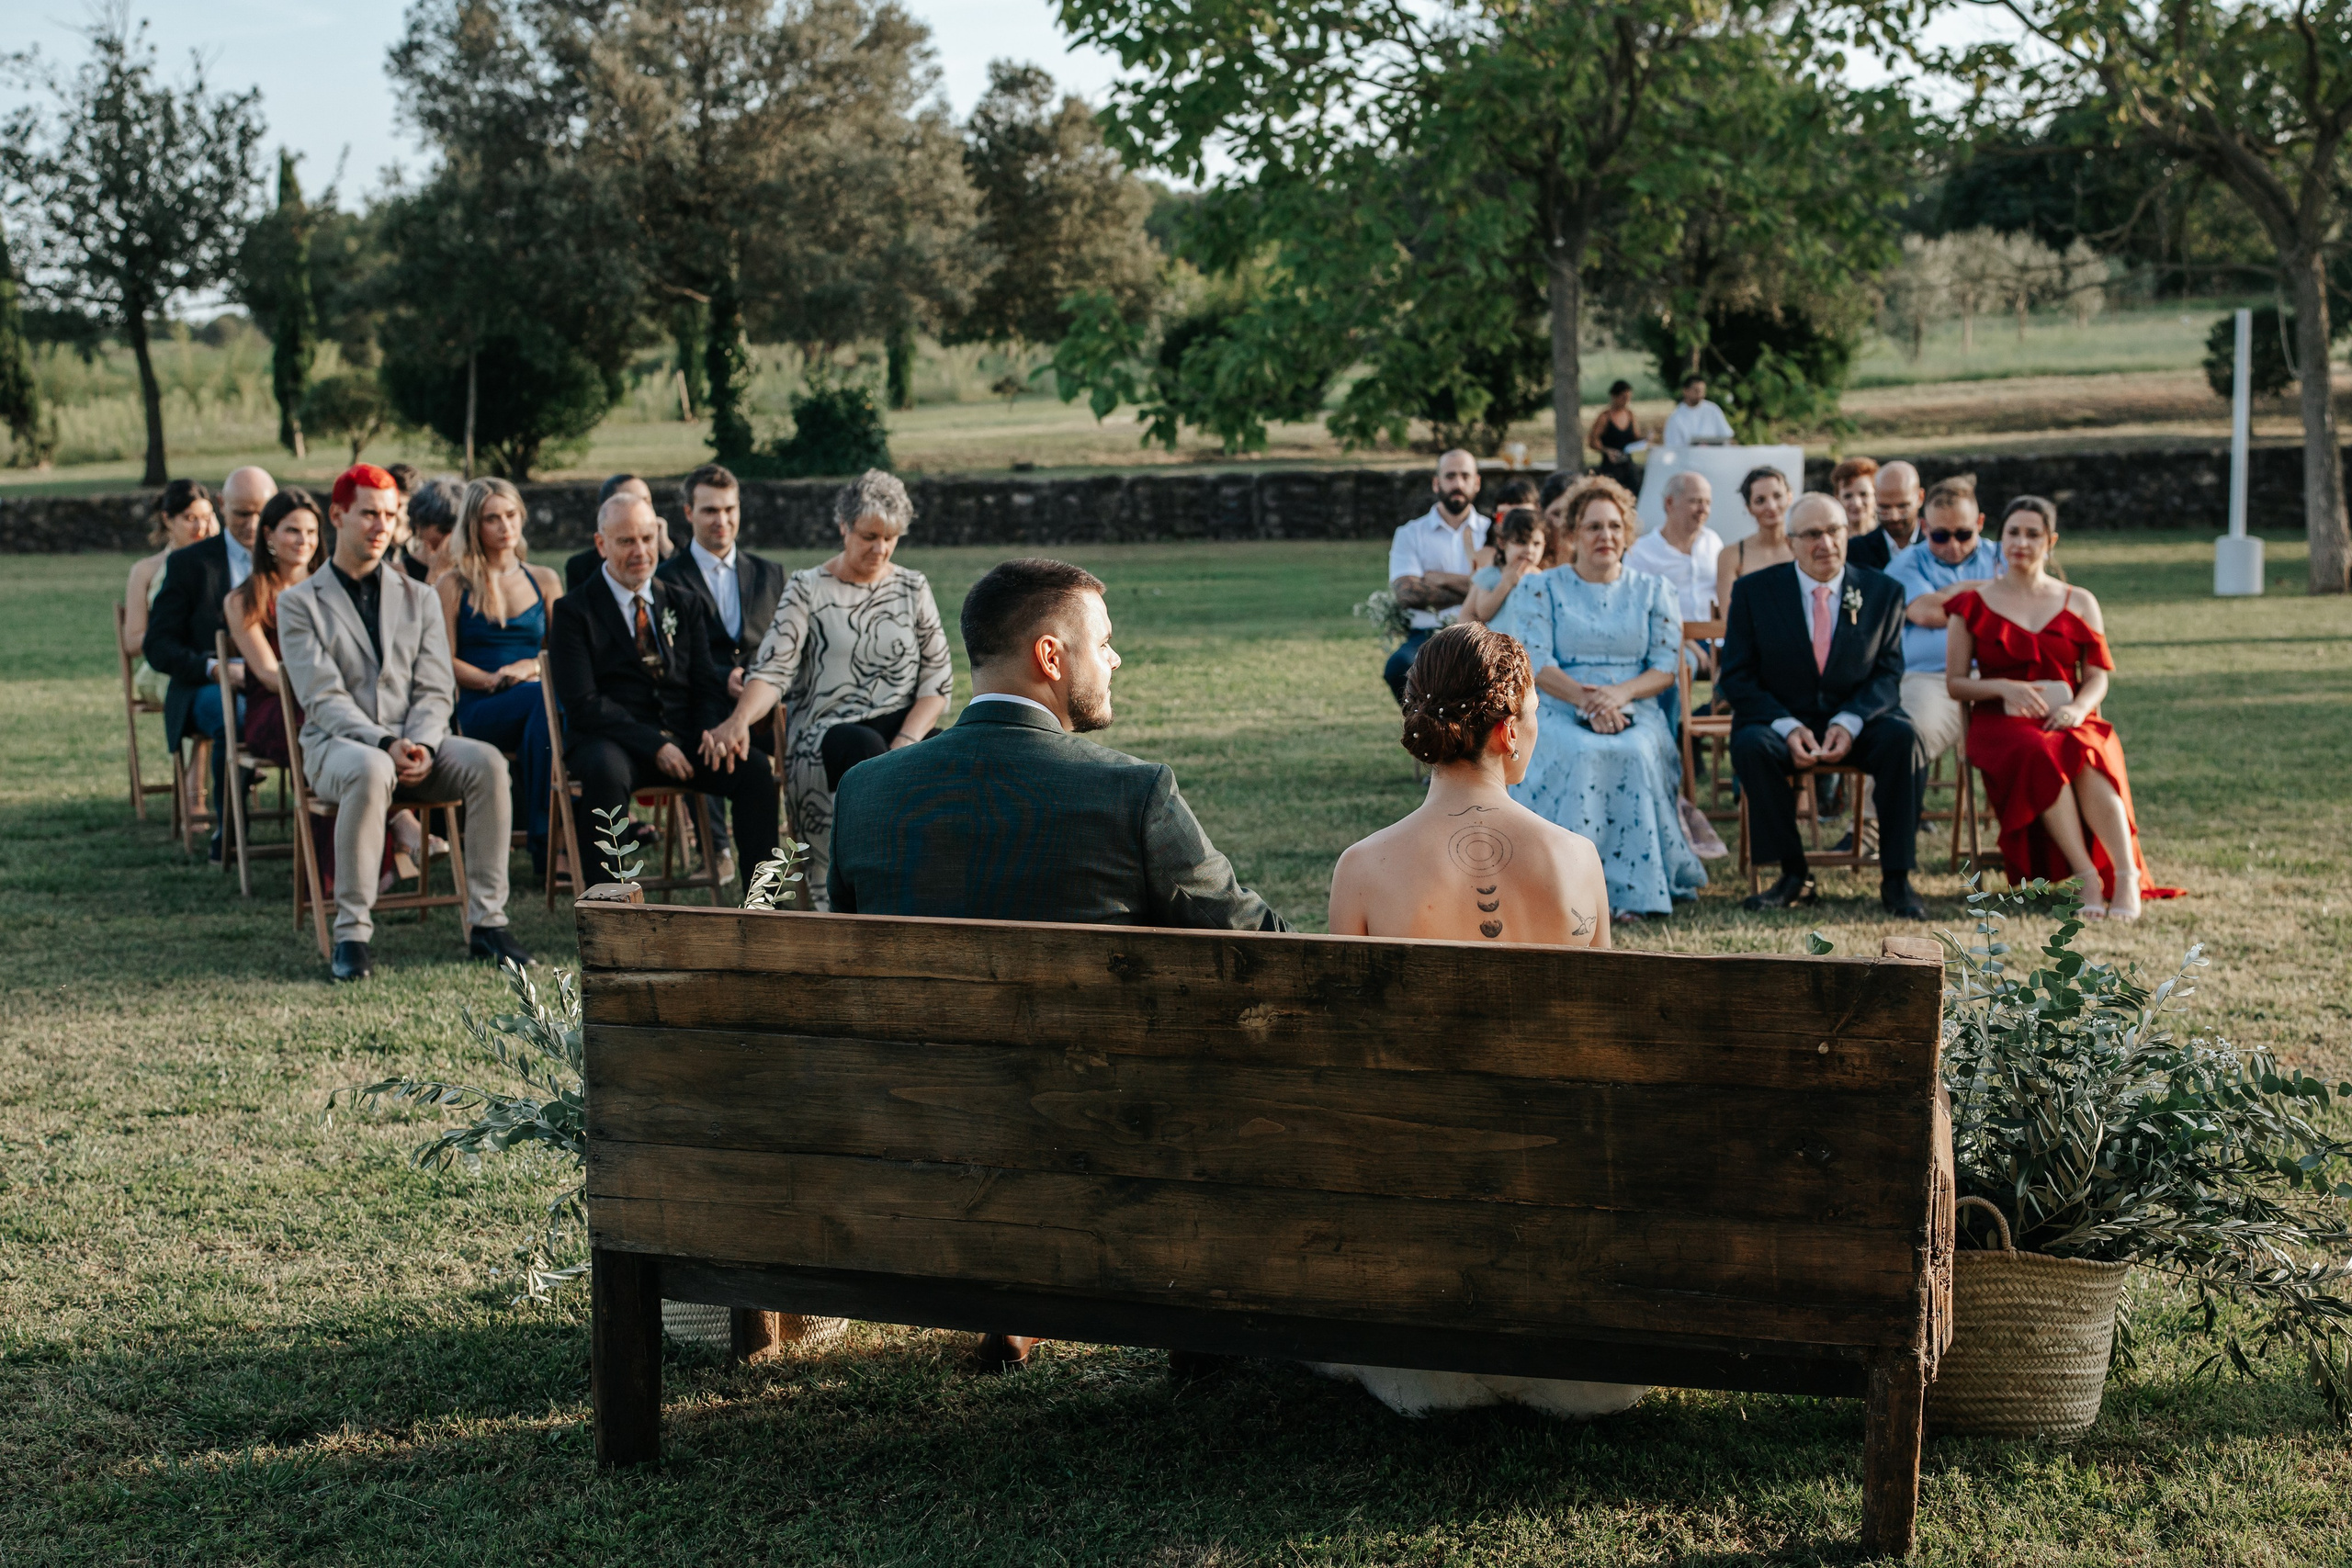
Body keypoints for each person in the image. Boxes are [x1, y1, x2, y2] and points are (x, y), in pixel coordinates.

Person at [829, 557, 1288, 1372]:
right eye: (1103, 643)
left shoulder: (868, 791)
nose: (1114, 660)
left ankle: (1011, 1295)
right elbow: (1261, 949)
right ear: (1051, 656)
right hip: (1102, 1142)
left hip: (912, 1136)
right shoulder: (1133, 794)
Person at [1318, 622, 1637, 1420]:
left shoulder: (1363, 868)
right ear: (1507, 729)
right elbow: (1605, 1057)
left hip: (1421, 1228)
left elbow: (1346, 1069)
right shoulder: (1578, 860)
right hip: (1554, 1221)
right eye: (1530, 714)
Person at [278, 464, 532, 981]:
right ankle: (351, 934)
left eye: (390, 515)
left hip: (418, 742)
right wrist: (386, 742)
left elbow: (436, 687)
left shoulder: (419, 596)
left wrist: (419, 742)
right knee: (371, 769)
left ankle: (488, 922)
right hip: (338, 747)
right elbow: (322, 698)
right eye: (369, 513)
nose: (381, 525)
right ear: (337, 515)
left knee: (485, 762)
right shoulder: (298, 602)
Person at [703, 469, 952, 904]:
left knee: (940, 746)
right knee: (862, 747)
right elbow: (772, 671)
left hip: (899, 726)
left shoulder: (913, 587)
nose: (881, 549)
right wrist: (741, 719)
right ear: (843, 527)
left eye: (890, 538)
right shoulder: (808, 588)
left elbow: (937, 682)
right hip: (828, 731)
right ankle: (868, 891)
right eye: (869, 536)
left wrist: (907, 739)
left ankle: (930, 889)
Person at [1944, 497, 2177, 919]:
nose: (2021, 542)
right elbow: (1955, 683)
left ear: (2050, 542)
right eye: (2013, 532)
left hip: (2068, 713)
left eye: (2033, 534)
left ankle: (2124, 876)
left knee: (2089, 751)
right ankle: (2088, 877)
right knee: (2040, 752)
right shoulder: (1972, 605)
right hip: (2003, 724)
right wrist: (2002, 688)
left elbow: (2097, 676)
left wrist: (2079, 708)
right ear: (2001, 538)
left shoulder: (2080, 600)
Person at [1491, 478, 1706, 919]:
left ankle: (1629, 890)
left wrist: (1618, 697)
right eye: (1592, 527)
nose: (1605, 536)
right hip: (1558, 700)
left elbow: (1665, 668)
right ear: (1571, 534)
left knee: (1633, 751)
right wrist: (1588, 702)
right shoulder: (1541, 588)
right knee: (1578, 749)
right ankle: (1561, 885)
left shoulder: (1654, 590)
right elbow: (1537, 661)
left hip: (1636, 704)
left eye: (1613, 526)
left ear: (1627, 533)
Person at [548, 491, 780, 886]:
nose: (640, 551)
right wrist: (655, 744)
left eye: (647, 538)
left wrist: (711, 730)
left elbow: (706, 683)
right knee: (605, 771)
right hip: (612, 740)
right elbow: (584, 704)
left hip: (685, 736)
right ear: (601, 544)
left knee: (754, 770)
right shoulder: (574, 611)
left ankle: (765, 901)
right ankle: (609, 906)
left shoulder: (683, 603)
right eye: (626, 541)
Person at [1719, 492, 1924, 918]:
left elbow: (1888, 676)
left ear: (1848, 534)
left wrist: (1850, 723)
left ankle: (1897, 879)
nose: (1825, 543)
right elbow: (1736, 676)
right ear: (1791, 542)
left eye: (1834, 531)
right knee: (1751, 746)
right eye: (1812, 534)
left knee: (1903, 739)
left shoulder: (1884, 592)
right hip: (1779, 718)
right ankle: (1794, 874)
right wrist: (1786, 726)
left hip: (1857, 717)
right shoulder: (1753, 592)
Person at [144, 466, 276, 862]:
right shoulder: (189, 563)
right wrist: (215, 668)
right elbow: (158, 645)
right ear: (222, 505)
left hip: (274, 681)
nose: (253, 524)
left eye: (262, 512)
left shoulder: (289, 555)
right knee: (232, 712)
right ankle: (230, 828)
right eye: (241, 514)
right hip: (205, 685)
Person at [437, 477, 564, 878]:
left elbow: (561, 654)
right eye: (492, 518)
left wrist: (528, 668)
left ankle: (542, 836)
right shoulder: (452, 583)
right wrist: (491, 680)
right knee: (548, 706)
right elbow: (441, 660)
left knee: (546, 706)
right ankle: (549, 841)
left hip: (534, 701)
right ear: (474, 526)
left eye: (511, 515)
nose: (505, 526)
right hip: (479, 707)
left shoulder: (543, 579)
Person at [226, 488, 348, 886]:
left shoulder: (336, 591)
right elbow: (265, 671)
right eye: (293, 531)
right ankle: (337, 873)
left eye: (312, 533)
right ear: (269, 536)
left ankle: (359, 861)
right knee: (322, 733)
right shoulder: (245, 598)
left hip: (331, 703)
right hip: (275, 709)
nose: (305, 541)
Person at [1885, 475, 2001, 801]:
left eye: (1964, 534)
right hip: (1931, 678)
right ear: (1923, 527)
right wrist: (1992, 593)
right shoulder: (1906, 562)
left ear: (1980, 523)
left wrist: (1948, 595)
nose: (1953, 545)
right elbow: (1925, 613)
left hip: (2003, 675)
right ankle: (1871, 830)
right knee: (1906, 735)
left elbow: (2028, 602)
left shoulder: (2003, 555)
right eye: (1940, 535)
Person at [656, 463, 786, 696]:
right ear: (689, 512)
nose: (722, 520)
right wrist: (722, 677)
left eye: (729, 509)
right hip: (699, 706)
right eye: (710, 511)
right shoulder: (664, 580)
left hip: (767, 708)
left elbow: (788, 647)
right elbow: (669, 656)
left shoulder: (770, 575)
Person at [1384, 448, 1488, 704]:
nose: (1458, 484)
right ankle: (1425, 731)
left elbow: (1502, 591)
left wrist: (1440, 578)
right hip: (1425, 635)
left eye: (1465, 476)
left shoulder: (1491, 533)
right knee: (1399, 666)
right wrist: (1476, 587)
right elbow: (1407, 593)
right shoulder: (1410, 534)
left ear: (1476, 483)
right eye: (1450, 476)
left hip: (1479, 632)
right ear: (1436, 483)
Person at [123, 479, 220, 706]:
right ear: (168, 519)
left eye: (206, 518)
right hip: (165, 667)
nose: (200, 528)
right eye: (190, 519)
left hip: (211, 660)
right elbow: (132, 642)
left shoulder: (219, 566)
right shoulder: (146, 570)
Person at [1624, 468, 1724, 625]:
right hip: (1667, 641)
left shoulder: (1713, 542)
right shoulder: (1640, 552)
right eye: (1696, 501)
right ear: (1669, 503)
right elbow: (1633, 607)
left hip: (1715, 640)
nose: (1703, 510)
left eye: (1708, 503)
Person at [1712, 464, 1795, 623]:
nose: (1771, 506)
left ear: (1789, 497)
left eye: (1777, 496)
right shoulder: (1731, 556)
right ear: (1749, 508)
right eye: (1760, 500)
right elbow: (1730, 616)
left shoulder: (1803, 547)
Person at [566, 474, 662, 591]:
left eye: (646, 501)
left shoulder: (671, 551)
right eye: (626, 541)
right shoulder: (582, 568)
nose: (640, 552)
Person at [1460, 506, 1544, 626]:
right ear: (1502, 543)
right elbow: (1482, 613)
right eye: (1521, 542)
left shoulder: (1541, 578)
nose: (1530, 550)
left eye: (1536, 544)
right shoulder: (1491, 575)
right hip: (1498, 643)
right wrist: (1505, 584)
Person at [1832, 457, 1894, 570]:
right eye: (1848, 496)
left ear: (1877, 495)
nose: (1857, 503)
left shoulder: (1890, 538)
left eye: (1863, 494)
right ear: (1837, 499)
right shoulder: (1831, 543)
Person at [1587, 378, 1646, 489]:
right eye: (1623, 398)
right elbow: (1593, 441)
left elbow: (1635, 437)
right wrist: (1606, 451)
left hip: (1628, 466)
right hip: (1610, 467)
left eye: (1628, 398)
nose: (1626, 401)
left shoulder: (1630, 415)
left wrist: (1645, 439)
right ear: (1614, 396)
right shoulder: (1605, 417)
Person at [401, 477, 462, 584]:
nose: (451, 538)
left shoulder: (467, 571)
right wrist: (435, 576)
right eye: (444, 531)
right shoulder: (399, 573)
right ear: (419, 525)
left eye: (457, 531)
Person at [1659, 372, 1734, 448]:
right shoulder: (1676, 417)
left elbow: (1727, 437)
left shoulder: (1713, 410)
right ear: (1685, 391)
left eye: (1703, 391)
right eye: (1697, 391)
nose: (1700, 394)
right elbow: (1673, 447)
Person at [1871, 461, 1925, 561]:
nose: (1894, 517)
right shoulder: (1856, 552)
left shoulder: (1940, 544)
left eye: (1902, 506)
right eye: (1884, 507)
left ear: (1920, 498)